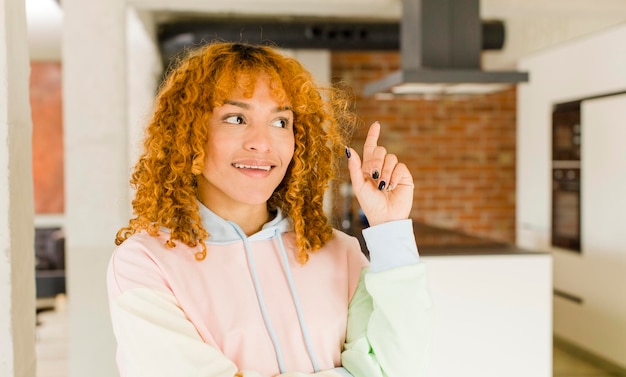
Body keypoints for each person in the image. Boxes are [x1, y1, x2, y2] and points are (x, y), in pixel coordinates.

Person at [107, 41, 431, 377]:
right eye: (236, 118)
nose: (262, 143)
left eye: (280, 122)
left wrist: (390, 231)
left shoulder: (339, 252)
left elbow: (399, 367)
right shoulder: (145, 264)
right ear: (189, 134)